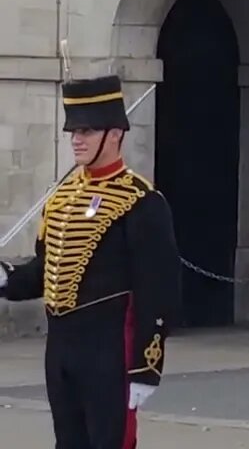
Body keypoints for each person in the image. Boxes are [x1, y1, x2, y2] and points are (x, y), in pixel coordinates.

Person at [0, 74, 182, 449]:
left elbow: (159, 290)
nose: (76, 140)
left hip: (109, 349)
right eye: (73, 131)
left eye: (87, 130)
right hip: (62, 348)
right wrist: (6, 277)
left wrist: (146, 368)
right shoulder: (61, 197)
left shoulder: (142, 202)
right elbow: (44, 271)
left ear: (114, 134)